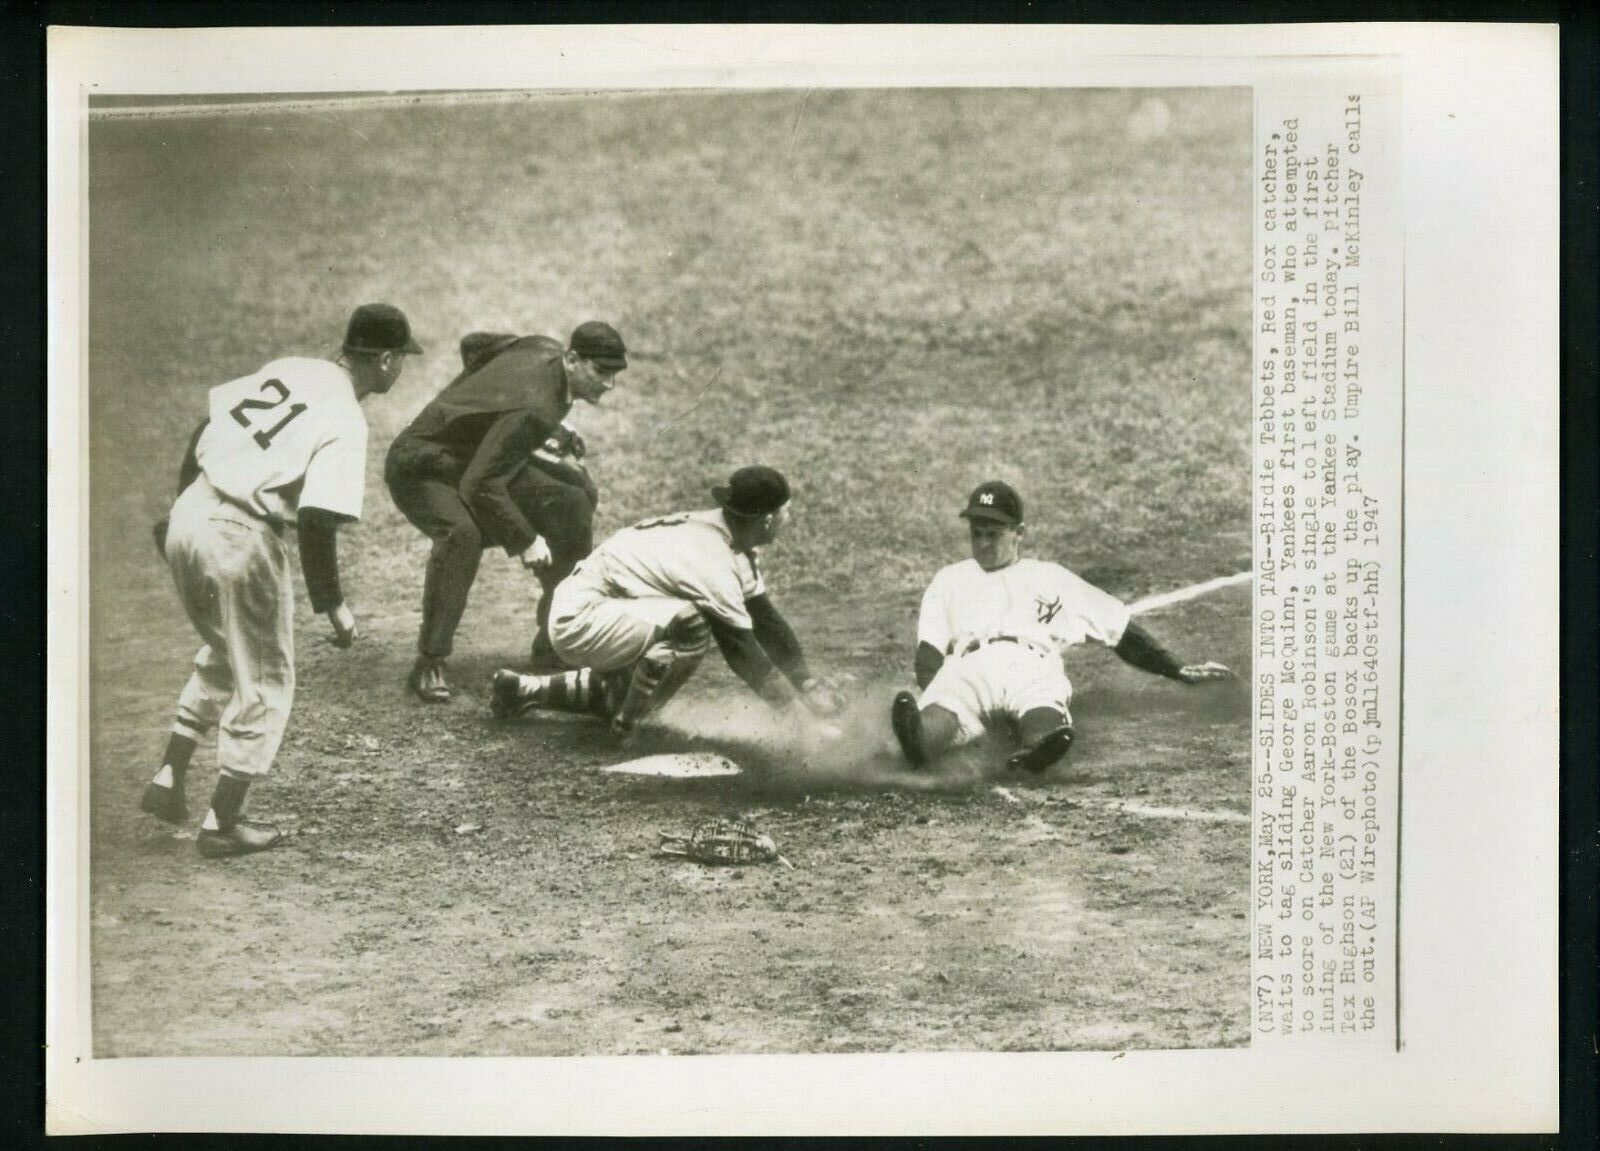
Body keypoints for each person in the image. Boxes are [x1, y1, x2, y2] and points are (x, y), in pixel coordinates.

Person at [139, 303, 421, 858]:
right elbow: (317, 517)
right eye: (401, 360)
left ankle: (169, 776)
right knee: (266, 676)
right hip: (238, 536)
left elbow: (205, 427)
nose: (401, 370)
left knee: (226, 649)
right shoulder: (347, 418)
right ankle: (223, 825)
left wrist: (179, 512)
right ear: (384, 360)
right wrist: (333, 605)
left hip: (192, 510)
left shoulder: (296, 368)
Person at [890, 480, 1234, 774]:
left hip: (1030, 660)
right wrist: (936, 693)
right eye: (976, 534)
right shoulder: (949, 579)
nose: (983, 543)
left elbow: (1119, 629)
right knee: (948, 697)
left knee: (1042, 699)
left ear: (1019, 533)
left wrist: (1175, 669)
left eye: (993, 534)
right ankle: (921, 741)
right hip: (970, 664)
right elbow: (929, 653)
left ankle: (1039, 748)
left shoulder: (1050, 575)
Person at [489, 465, 842, 740]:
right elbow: (744, 654)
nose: (788, 518)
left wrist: (806, 683)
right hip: (583, 617)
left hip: (608, 606)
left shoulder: (723, 533)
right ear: (767, 520)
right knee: (692, 625)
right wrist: (803, 722)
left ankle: (525, 690)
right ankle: (628, 723)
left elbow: (764, 617)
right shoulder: (713, 560)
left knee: (666, 640)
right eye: (786, 511)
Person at [384, 321, 626, 702]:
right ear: (573, 359)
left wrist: (487, 408)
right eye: (601, 372)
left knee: (574, 498)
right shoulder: (535, 408)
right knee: (462, 534)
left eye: (614, 374)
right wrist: (526, 540)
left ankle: (556, 639)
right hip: (419, 466)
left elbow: (474, 344)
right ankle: (429, 661)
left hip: (468, 459)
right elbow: (479, 485)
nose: (609, 384)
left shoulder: (541, 346)